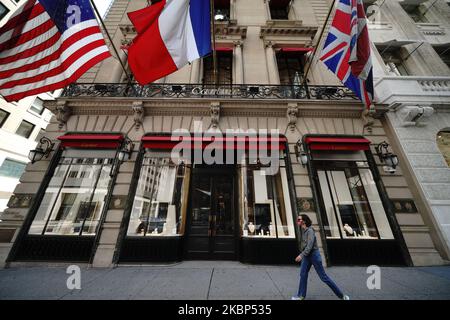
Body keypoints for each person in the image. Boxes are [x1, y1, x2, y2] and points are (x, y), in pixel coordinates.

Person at [292, 214, 350, 300]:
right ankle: (301, 296)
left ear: (304, 221)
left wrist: (301, 255)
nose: (297, 221)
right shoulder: (303, 230)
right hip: (307, 256)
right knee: (303, 274)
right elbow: (304, 245)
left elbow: (310, 245)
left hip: (314, 256)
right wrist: (303, 253)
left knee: (324, 278)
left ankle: (342, 296)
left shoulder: (310, 231)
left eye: (299, 220)